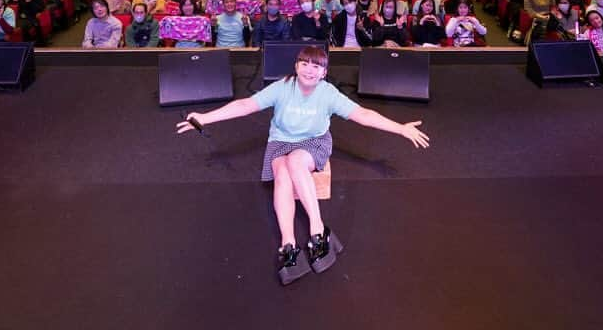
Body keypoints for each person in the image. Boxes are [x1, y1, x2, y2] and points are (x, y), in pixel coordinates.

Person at [176, 45, 430, 285]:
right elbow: (245, 106)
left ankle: (317, 230)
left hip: (314, 142)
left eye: (316, 66)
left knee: (296, 162)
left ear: (324, 72)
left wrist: (400, 129)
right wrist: (205, 118)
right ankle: (288, 243)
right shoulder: (281, 88)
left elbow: (363, 115)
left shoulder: (328, 93)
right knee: (282, 173)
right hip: (280, 142)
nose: (310, 70)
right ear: (296, 66)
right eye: (305, 63)